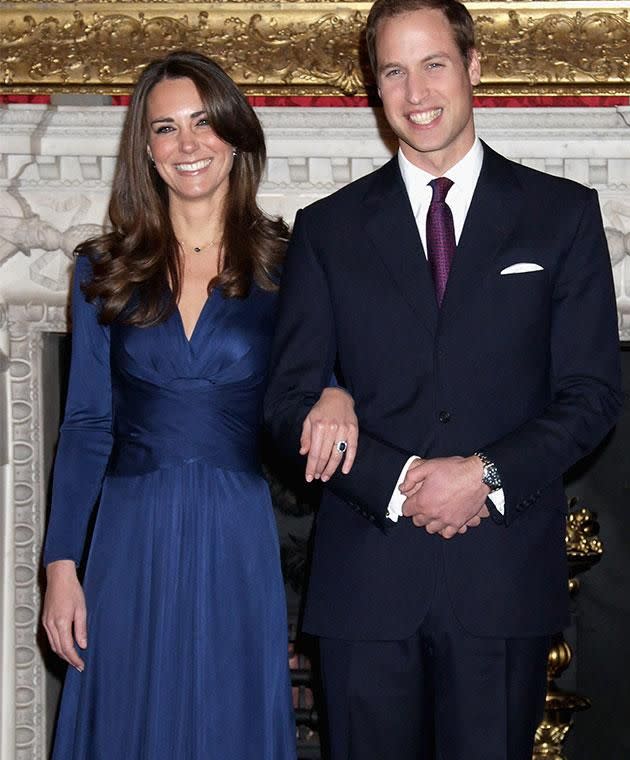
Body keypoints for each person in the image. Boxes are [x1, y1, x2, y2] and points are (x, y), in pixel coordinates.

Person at [264, 1, 623, 757]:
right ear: (375, 87)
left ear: (473, 69)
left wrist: (484, 474)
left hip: (502, 577)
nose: (415, 90)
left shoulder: (561, 215)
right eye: (394, 70)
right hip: (366, 584)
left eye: (433, 64)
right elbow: (287, 401)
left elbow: (591, 396)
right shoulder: (326, 229)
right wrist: (399, 481)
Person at [41, 51, 358, 760]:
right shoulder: (103, 268)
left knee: (226, 721)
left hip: (234, 528)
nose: (188, 145)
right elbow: (89, 422)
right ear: (147, 152)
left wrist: (338, 389)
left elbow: (327, 373)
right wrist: (62, 565)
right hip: (128, 533)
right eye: (165, 128)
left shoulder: (289, 263)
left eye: (203, 124)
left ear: (236, 135)